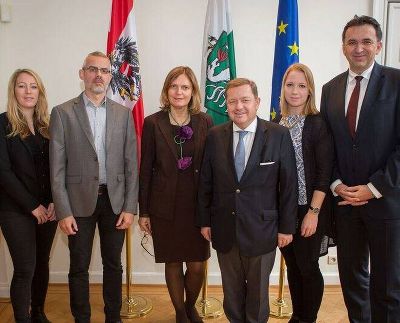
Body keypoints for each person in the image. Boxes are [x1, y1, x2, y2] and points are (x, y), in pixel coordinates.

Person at [197, 78, 298, 323]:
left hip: (263, 230)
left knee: (257, 296)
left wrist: (286, 227)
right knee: (231, 295)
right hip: (224, 228)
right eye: (232, 101)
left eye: (245, 100)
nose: (238, 106)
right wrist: (204, 221)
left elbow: (289, 186)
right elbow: (206, 183)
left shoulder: (278, 135)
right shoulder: (214, 136)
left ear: (257, 102)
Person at [321, 15, 400, 322]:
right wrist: (336, 183)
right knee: (353, 282)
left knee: (388, 287)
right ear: (343, 47)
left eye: (366, 41)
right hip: (345, 205)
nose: (358, 48)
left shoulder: (396, 82)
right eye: (352, 42)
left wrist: (374, 187)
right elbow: (328, 146)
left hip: (386, 202)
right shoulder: (330, 89)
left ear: (378, 46)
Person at [49, 51, 138, 323]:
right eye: (92, 69)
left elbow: (131, 163)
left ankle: (113, 317)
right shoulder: (62, 113)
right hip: (77, 203)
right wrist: (63, 211)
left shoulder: (123, 114)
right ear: (82, 74)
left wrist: (130, 207)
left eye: (104, 70)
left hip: (115, 202)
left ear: (110, 76)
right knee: (79, 267)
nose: (99, 75)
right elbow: (57, 168)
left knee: (114, 265)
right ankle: (82, 318)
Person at [138, 66, 212, 323]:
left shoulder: (205, 121)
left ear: (193, 92)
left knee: (196, 264)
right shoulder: (152, 122)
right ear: (166, 90)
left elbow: (212, 168)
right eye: (174, 86)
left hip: (197, 206)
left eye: (185, 87)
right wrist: (143, 211)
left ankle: (190, 305)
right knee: (172, 261)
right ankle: (181, 313)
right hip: (164, 206)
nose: (179, 92)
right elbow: (145, 169)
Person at [278, 63, 334, 323]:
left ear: (310, 89)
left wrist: (313, 212)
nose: (295, 91)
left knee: (308, 266)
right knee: (293, 266)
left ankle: (308, 318)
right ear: (283, 88)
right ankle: (298, 315)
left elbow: (324, 172)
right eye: (290, 85)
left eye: (301, 85)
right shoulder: (276, 124)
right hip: (285, 211)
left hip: (312, 207)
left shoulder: (317, 124)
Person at [0, 69, 57, 323]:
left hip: (49, 208)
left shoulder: (48, 126)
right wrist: (32, 206)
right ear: (13, 91)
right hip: (15, 209)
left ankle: (38, 313)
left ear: (40, 92)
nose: (28, 92)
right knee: (25, 268)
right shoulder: (2, 124)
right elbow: (3, 172)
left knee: (42, 264)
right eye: (22, 86)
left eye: (33, 86)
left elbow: (59, 167)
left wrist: (56, 201)